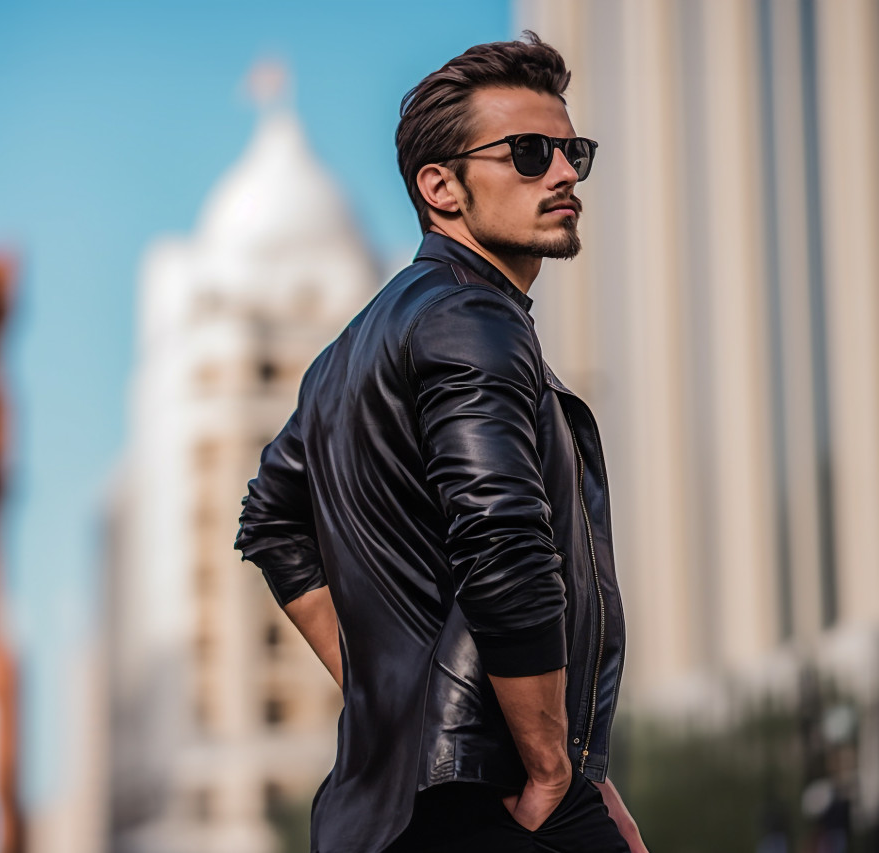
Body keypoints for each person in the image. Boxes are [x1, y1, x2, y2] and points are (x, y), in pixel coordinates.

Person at [235, 33, 646, 853]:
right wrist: (551, 768)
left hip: (389, 809)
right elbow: (504, 540)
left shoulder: (344, 354)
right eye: (528, 153)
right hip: (488, 800)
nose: (564, 173)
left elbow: (271, 522)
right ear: (441, 187)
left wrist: (389, 695)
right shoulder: (472, 316)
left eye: (572, 152)